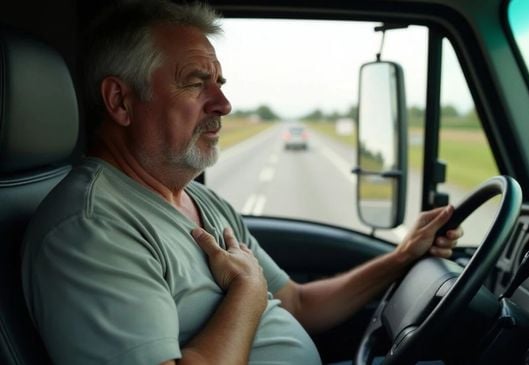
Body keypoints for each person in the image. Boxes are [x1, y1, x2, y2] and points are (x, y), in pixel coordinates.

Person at [21, 1, 463, 364]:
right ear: (120, 101)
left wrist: (403, 256)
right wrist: (247, 293)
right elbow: (261, 297)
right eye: (197, 83)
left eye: (220, 83)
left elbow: (298, 304)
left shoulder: (202, 201)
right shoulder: (90, 228)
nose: (224, 104)